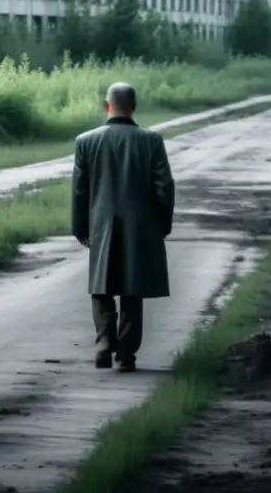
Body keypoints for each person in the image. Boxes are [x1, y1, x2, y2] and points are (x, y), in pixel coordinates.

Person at [70, 81, 176, 372]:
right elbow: (164, 187)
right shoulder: (151, 140)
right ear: (134, 107)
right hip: (141, 226)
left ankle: (105, 341)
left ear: (107, 106)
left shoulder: (86, 141)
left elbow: (80, 190)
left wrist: (79, 226)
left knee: (101, 285)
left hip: (101, 223)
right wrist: (162, 224)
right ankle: (127, 354)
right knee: (132, 288)